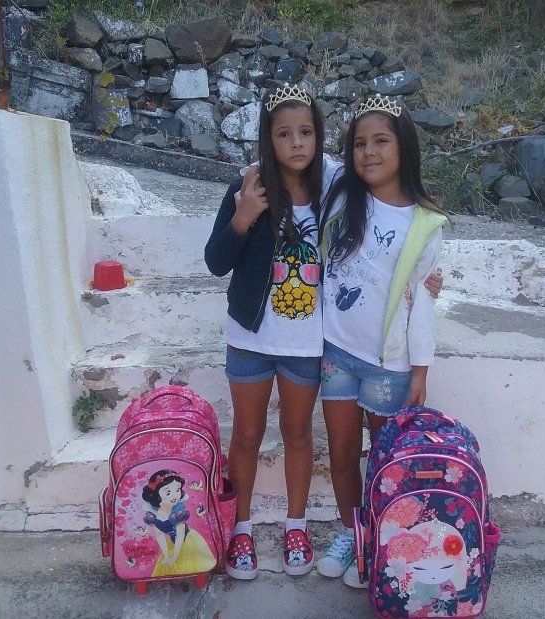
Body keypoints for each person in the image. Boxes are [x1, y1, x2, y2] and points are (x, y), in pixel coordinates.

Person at [315, 94, 449, 588]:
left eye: (381, 141)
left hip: (388, 366)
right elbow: (298, 149)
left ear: (403, 147)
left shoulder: (424, 224)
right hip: (336, 354)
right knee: (342, 453)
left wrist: (421, 370)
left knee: (385, 458)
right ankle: (352, 532)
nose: (368, 152)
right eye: (359, 143)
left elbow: (423, 303)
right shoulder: (342, 195)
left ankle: (379, 536)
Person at [204, 83, 327, 579]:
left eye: (306, 132)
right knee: (248, 434)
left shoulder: (332, 192)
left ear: (318, 136)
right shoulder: (248, 186)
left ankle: (296, 525)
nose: (296, 143)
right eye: (284, 134)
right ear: (267, 139)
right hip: (250, 338)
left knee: (298, 434)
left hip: (306, 344)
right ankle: (241, 528)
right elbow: (216, 262)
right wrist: (242, 218)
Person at [142, 470, 216, 576]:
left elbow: (180, 534)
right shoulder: (153, 514)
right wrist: (166, 556)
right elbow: (160, 535)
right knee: (168, 565)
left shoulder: (178, 510)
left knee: (189, 565)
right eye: (168, 492)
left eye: (177, 490)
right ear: (155, 495)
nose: (174, 495)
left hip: (188, 540)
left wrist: (174, 557)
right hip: (173, 543)